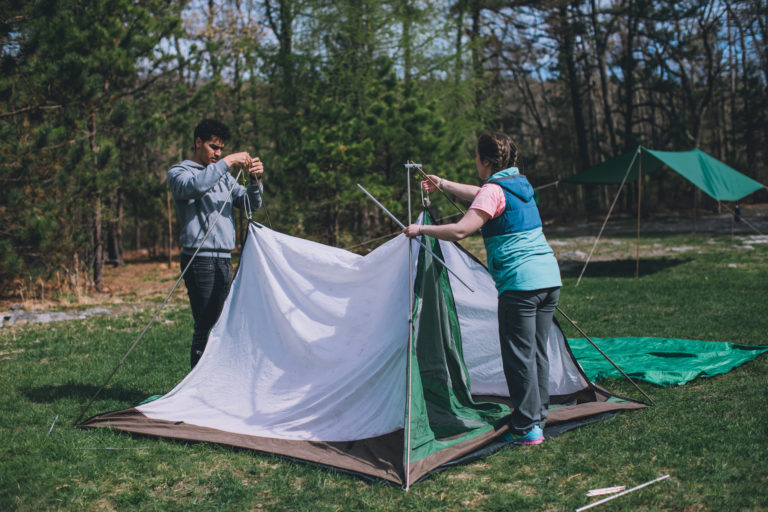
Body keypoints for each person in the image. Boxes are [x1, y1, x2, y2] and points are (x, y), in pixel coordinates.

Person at [402, 132, 561, 445]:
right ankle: (537, 417)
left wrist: (420, 229)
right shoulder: (519, 185)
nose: (474, 162)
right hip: (549, 280)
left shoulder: (494, 191)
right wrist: (442, 183)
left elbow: (462, 230)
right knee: (538, 352)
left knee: (519, 357)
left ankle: (527, 427)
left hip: (520, 285)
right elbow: (479, 193)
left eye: (476, 157)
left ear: (486, 161)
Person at [168, 118, 264, 368]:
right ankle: (198, 387)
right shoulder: (180, 172)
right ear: (198, 143)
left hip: (223, 259)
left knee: (223, 324)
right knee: (206, 325)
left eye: (221, 149)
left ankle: (216, 381)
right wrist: (229, 161)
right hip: (199, 259)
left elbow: (249, 205)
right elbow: (194, 187)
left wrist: (255, 182)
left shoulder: (222, 176)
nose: (218, 153)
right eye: (213, 147)